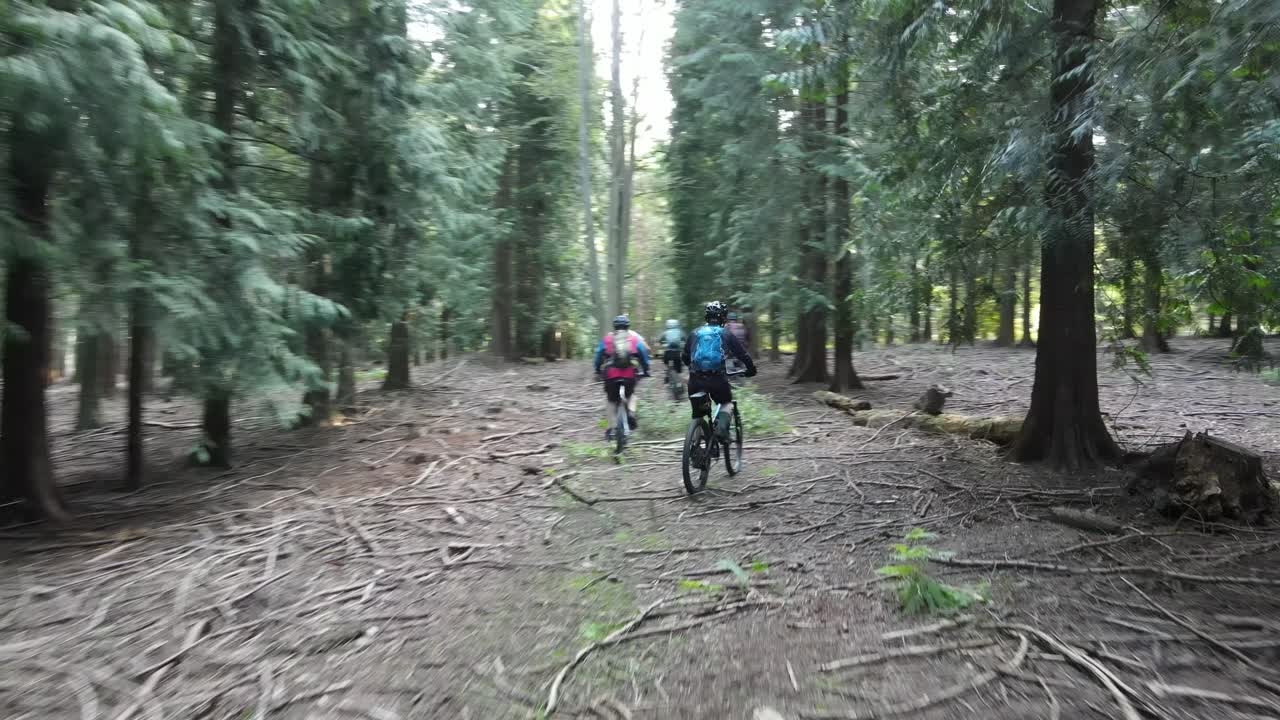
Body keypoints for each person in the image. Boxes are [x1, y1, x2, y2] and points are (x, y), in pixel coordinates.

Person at [682, 301, 757, 441]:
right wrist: (751, 369)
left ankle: (695, 450)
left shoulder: (695, 333)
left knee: (698, 414)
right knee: (726, 403)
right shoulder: (726, 333)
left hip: (695, 381)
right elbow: (742, 354)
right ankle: (721, 430)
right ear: (724, 317)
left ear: (706, 317)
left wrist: (692, 369)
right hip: (717, 379)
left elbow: (685, 356)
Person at [593, 315, 651, 441]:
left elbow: (598, 355)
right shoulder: (634, 339)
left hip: (610, 375)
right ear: (627, 326)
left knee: (611, 401)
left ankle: (610, 429)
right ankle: (631, 413)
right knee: (631, 395)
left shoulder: (608, 338)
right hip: (629, 374)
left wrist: (597, 370)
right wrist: (646, 370)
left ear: (615, 326)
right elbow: (644, 356)